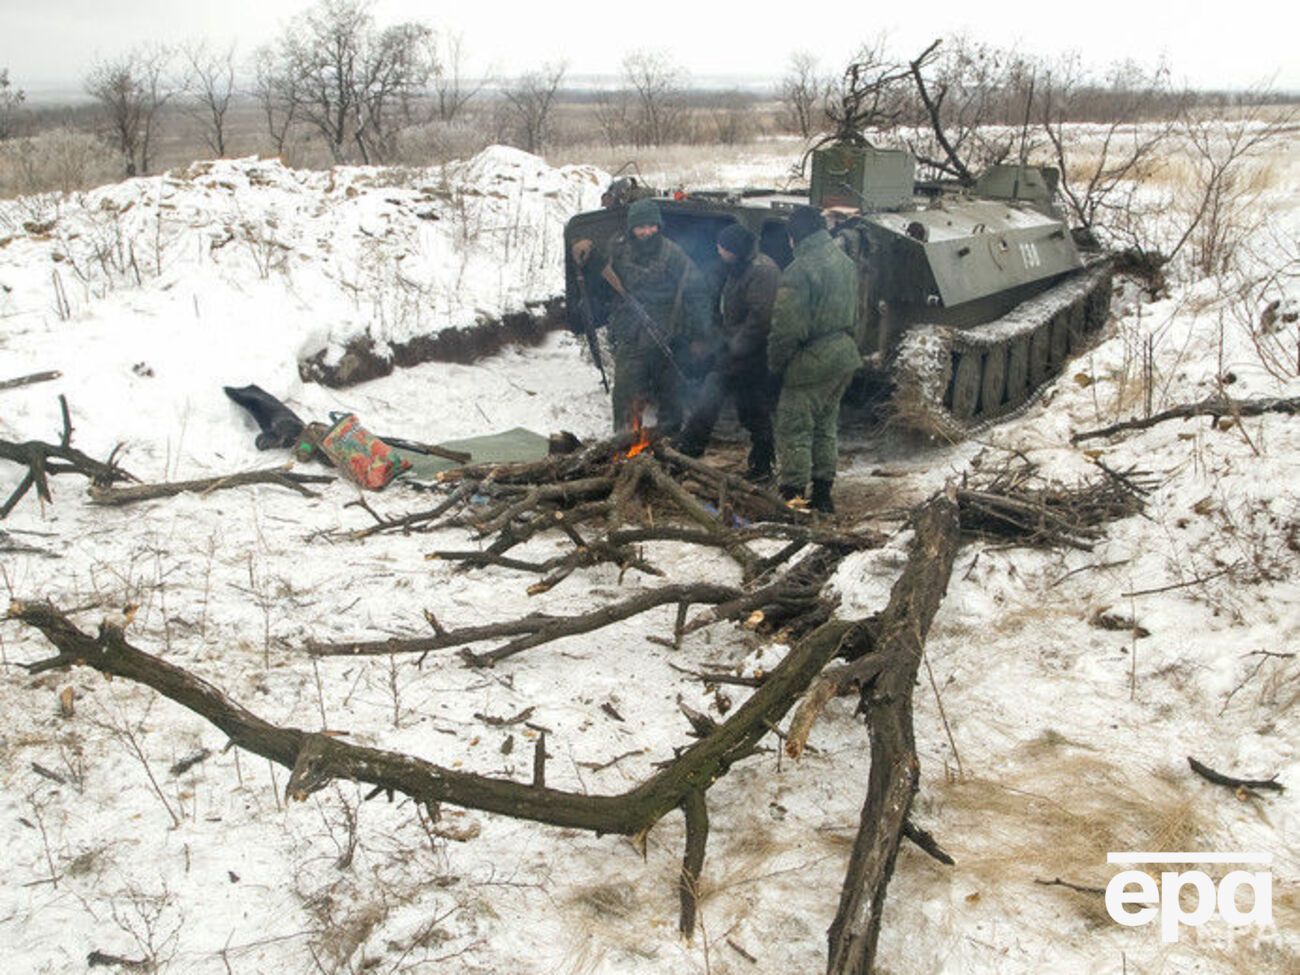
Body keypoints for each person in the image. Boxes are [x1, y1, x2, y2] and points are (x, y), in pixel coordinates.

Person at [571, 199, 710, 433]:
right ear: (631, 228)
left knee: (670, 398)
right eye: (640, 227)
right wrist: (584, 251)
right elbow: (600, 272)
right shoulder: (619, 248)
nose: (647, 232)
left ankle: (669, 444)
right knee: (626, 395)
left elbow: (697, 292)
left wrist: (698, 334)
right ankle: (624, 445)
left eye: (652, 226)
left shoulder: (672, 254)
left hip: (665, 336)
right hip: (631, 336)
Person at [768, 205, 859, 514]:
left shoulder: (799, 270)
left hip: (812, 361)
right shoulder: (845, 262)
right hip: (844, 355)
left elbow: (786, 328)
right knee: (825, 426)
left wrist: (775, 365)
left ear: (794, 238)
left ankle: (794, 498)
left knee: (794, 428)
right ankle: (823, 494)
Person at [674, 223, 780, 480]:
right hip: (741, 347)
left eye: (722, 247)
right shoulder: (741, 267)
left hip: (753, 350)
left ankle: (689, 449)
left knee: (714, 389)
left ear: (735, 250)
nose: (719, 251)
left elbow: (761, 318)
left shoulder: (761, 272)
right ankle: (762, 463)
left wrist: (736, 347)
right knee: (752, 407)